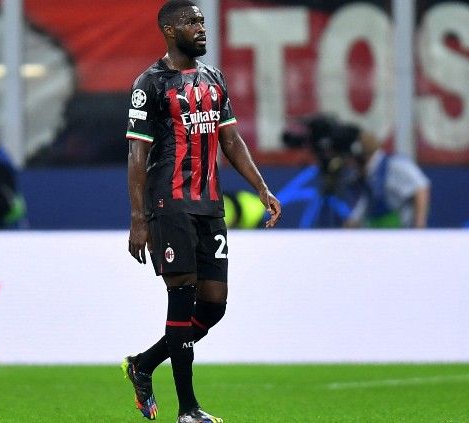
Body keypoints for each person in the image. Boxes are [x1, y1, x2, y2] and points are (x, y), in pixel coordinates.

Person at [124, 2, 282, 423]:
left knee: (214, 305)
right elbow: (136, 155)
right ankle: (188, 409)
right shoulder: (150, 84)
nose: (201, 27)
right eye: (191, 22)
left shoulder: (213, 79)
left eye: (202, 20)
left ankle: (143, 364)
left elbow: (230, 140)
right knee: (182, 297)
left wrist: (262, 188)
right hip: (169, 204)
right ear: (168, 29)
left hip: (209, 205)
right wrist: (139, 219)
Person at [345, 132, 430, 228]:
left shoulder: (395, 165)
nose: (351, 166)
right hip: (383, 232)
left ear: (362, 159)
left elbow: (421, 187)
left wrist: (419, 225)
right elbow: (366, 203)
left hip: (404, 231)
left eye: (353, 162)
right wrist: (352, 222)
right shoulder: (369, 177)